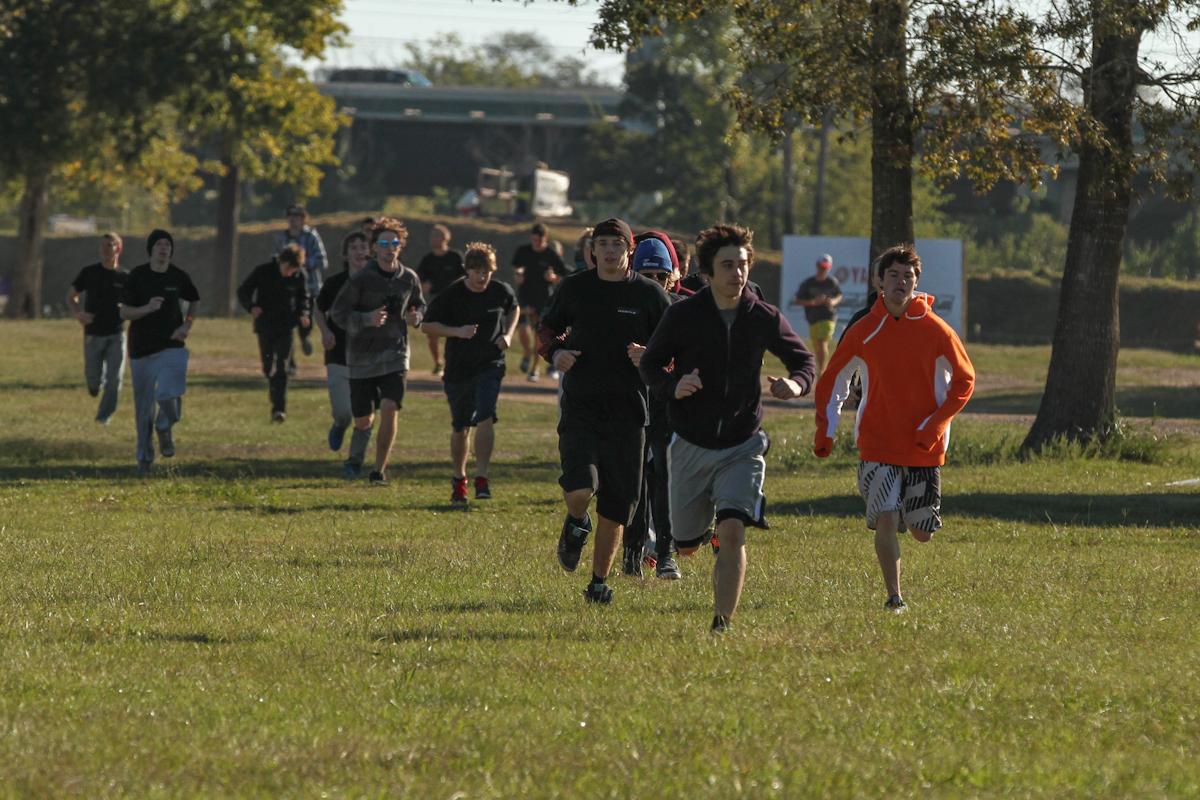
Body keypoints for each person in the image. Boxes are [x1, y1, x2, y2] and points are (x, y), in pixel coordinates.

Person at [640, 223, 815, 632]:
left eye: (743, 264)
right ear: (706, 272)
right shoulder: (683, 315)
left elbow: (803, 361)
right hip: (690, 442)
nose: (737, 273)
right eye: (728, 265)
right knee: (686, 543)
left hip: (743, 443)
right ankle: (693, 535)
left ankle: (722, 623)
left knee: (733, 530)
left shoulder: (762, 316)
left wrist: (795, 384)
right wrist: (673, 385)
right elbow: (650, 364)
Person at [812, 243, 975, 612]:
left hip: (922, 446)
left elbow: (965, 381)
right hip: (878, 443)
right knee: (885, 518)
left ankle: (904, 509)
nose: (901, 281)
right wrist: (826, 430)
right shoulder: (864, 329)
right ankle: (894, 597)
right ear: (879, 282)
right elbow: (834, 380)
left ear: (916, 282)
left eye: (908, 276)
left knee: (922, 532)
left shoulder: (937, 330)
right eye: (894, 275)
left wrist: (936, 425)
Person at [537, 218, 671, 604]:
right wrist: (555, 352)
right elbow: (546, 329)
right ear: (592, 250)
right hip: (582, 407)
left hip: (630, 414)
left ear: (630, 250)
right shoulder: (574, 288)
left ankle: (598, 583)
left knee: (617, 505)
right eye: (603, 244)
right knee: (580, 489)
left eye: (617, 244)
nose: (610, 251)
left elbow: (677, 346)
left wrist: (651, 356)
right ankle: (577, 520)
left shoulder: (649, 295)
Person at [421, 242, 520, 504]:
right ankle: (459, 479)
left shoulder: (500, 291)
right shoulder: (452, 294)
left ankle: (482, 477)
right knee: (461, 426)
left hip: (491, 363)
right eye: (477, 272)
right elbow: (427, 326)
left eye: (486, 271)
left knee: (486, 415)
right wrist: (457, 331)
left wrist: (508, 335)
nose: (482, 277)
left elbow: (514, 308)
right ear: (467, 271)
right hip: (459, 368)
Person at [329, 217, 425, 485]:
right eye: (383, 243)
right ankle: (354, 459)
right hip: (361, 358)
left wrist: (417, 316)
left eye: (394, 243)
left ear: (400, 246)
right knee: (363, 419)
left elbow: (420, 304)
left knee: (390, 407)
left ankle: (379, 470)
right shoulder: (362, 279)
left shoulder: (409, 278)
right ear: (374, 248)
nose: (389, 248)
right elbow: (338, 313)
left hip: (396, 354)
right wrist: (366, 319)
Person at [622, 236, 685, 580]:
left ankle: (665, 553)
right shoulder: (623, 306)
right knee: (632, 483)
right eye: (647, 276)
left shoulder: (682, 310)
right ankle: (631, 555)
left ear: (673, 276)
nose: (655, 283)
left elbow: (692, 358)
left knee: (663, 478)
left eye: (661, 276)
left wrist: (656, 359)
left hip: (664, 406)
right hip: (629, 403)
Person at [119, 229, 200, 472]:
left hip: (172, 344)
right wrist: (146, 308)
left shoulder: (179, 276)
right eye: (159, 245)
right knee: (144, 410)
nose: (164, 248)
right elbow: (124, 312)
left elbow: (194, 299)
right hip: (142, 348)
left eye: (167, 245)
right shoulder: (137, 276)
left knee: (169, 395)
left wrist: (187, 325)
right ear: (151, 250)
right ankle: (144, 458)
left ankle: (165, 425)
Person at [314, 231, 372, 470]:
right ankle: (339, 425)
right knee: (343, 412)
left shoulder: (378, 283)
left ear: (370, 252)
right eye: (353, 248)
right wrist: (325, 332)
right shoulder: (334, 283)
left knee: (364, 414)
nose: (359, 252)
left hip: (370, 357)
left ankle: (354, 461)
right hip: (338, 354)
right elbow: (318, 309)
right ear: (346, 255)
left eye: (363, 247)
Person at [237, 244, 311, 422]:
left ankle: (279, 410)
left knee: (282, 367)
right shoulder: (263, 271)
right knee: (268, 366)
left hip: (286, 327)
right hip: (265, 326)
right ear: (281, 261)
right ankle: (274, 389)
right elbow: (243, 291)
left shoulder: (299, 276)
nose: (290, 273)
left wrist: (304, 313)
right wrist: (251, 307)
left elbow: (304, 298)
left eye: (294, 270)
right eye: (288, 269)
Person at [66, 232, 128, 424]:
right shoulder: (89, 272)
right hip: (93, 333)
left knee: (115, 379)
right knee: (93, 378)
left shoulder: (125, 277)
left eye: (109, 245)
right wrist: (78, 313)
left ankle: (104, 417)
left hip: (117, 333)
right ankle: (94, 386)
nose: (105, 249)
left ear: (118, 248)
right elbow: (71, 296)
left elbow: (135, 301)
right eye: (102, 246)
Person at [273, 204, 327, 362]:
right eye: (290, 215)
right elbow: (275, 259)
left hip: (309, 288)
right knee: (285, 326)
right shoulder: (281, 238)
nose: (293, 219)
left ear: (303, 218)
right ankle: (289, 361)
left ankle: (304, 337)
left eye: (297, 215)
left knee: (305, 320)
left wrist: (301, 264)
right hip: (286, 289)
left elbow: (322, 260)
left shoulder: (311, 237)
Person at [512, 222, 566, 381]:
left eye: (539, 240)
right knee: (522, 329)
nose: (536, 243)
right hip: (525, 296)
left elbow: (563, 276)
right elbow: (517, 267)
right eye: (534, 240)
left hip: (543, 299)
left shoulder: (551, 255)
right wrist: (518, 274)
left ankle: (535, 368)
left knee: (538, 335)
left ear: (545, 238)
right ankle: (527, 353)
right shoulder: (523, 251)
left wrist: (553, 277)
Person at [416, 224, 465, 377]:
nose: (434, 239)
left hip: (455, 301)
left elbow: (465, 277)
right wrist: (424, 286)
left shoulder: (455, 256)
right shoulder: (427, 260)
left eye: (438, 235)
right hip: (435, 301)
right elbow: (419, 281)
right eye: (432, 236)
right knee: (432, 334)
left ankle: (454, 362)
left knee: (455, 334)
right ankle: (438, 363)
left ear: (446, 238)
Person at [790, 253, 843, 375]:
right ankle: (821, 369)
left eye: (826, 267)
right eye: (821, 267)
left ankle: (822, 371)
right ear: (817, 266)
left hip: (828, 317)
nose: (823, 270)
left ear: (829, 268)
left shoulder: (832, 282)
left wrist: (832, 302)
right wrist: (813, 302)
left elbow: (839, 296)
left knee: (822, 342)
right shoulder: (808, 283)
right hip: (813, 319)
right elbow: (797, 300)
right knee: (817, 346)